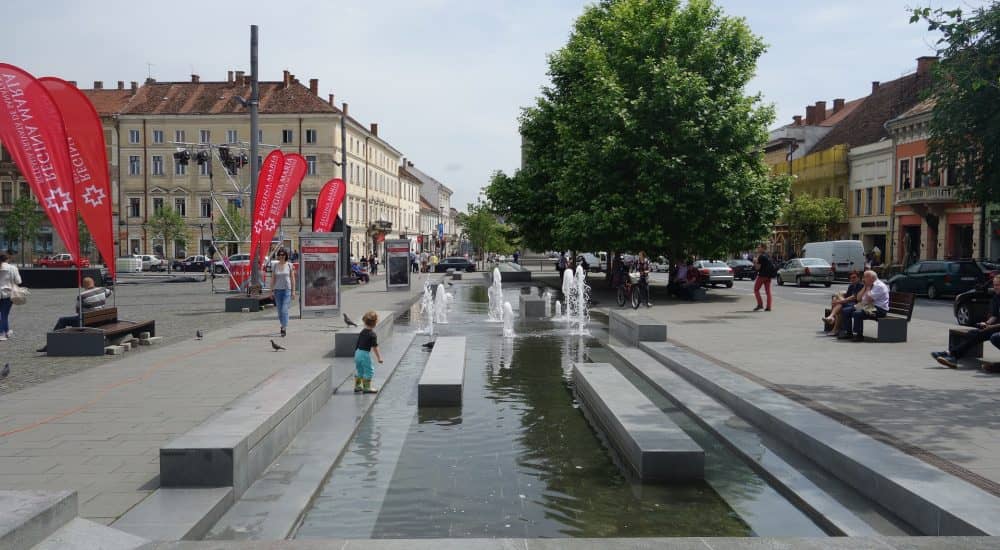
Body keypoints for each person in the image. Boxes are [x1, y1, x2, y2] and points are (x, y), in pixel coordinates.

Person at [932, 275, 1000, 368]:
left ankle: (951, 354)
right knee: (974, 333)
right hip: (996, 328)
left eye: (998, 285)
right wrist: (986, 323)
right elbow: (994, 316)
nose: (995, 287)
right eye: (994, 285)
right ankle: (952, 354)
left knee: (989, 335)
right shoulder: (996, 297)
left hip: (997, 329)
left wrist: (990, 327)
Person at [36, 276, 112, 353]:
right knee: (77, 319)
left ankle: (50, 344)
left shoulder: (82, 295)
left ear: (83, 285)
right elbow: (110, 293)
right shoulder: (102, 290)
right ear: (93, 282)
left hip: (86, 322)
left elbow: (78, 310)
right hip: (99, 320)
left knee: (62, 320)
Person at [838, 270, 889, 342]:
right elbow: (859, 298)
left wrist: (868, 288)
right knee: (846, 311)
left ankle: (859, 335)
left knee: (857, 313)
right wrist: (865, 287)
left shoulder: (879, 286)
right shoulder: (869, 285)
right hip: (868, 306)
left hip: (879, 309)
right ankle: (848, 332)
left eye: (865, 277)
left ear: (871, 277)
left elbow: (869, 299)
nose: (863, 279)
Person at [824, 270, 863, 335]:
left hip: (858, 304)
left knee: (840, 305)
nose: (852, 279)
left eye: (854, 277)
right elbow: (847, 297)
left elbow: (852, 298)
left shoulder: (860, 285)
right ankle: (834, 326)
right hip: (850, 303)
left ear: (859, 278)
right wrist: (838, 298)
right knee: (839, 305)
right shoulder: (851, 286)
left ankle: (832, 319)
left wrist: (837, 301)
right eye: (850, 278)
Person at [354, 310, 384, 393]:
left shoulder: (362, 331)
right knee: (369, 371)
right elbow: (375, 347)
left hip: (357, 352)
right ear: (375, 323)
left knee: (360, 370)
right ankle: (366, 388)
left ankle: (358, 386)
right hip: (364, 354)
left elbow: (358, 343)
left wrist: (356, 354)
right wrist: (379, 358)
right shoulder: (372, 334)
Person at [270, 248, 295, 338]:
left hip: (287, 290)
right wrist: (271, 291)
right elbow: (273, 279)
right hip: (277, 290)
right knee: (280, 311)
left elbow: (292, 279)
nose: (281, 256)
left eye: (283, 255)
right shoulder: (275, 266)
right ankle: (283, 324)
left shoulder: (289, 265)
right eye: (280, 255)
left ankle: (283, 327)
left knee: (284, 309)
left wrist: (293, 291)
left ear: (286, 256)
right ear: (278, 256)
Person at [0, 253, 22, 341]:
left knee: (2, 315)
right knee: (4, 314)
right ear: (7, 259)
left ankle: (7, 331)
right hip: (7, 293)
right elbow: (18, 281)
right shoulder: (13, 268)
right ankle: (2, 333)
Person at [753, 245, 776, 311]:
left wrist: (755, 262)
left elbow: (758, 268)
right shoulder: (768, 256)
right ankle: (769, 307)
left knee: (756, 289)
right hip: (769, 276)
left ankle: (760, 304)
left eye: (759, 247)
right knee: (768, 292)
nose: (757, 248)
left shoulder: (761, 257)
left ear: (763, 248)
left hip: (762, 276)